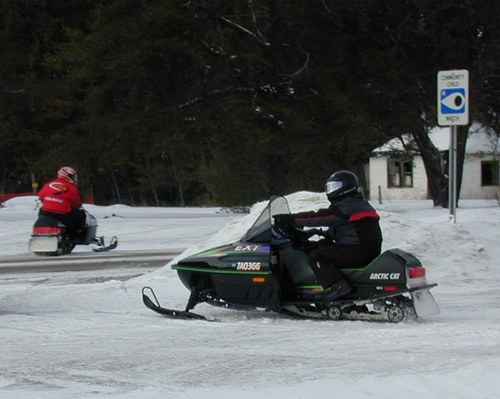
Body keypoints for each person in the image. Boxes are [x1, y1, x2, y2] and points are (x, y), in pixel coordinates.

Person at [274, 170, 383, 301]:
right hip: (362, 248)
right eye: (330, 187)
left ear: (346, 188)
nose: (331, 191)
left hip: (358, 250)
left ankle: (337, 286)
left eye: (335, 187)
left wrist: (291, 219)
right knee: (315, 247)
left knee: (317, 256)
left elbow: (319, 217)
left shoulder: (347, 206)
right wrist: (316, 236)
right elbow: (344, 229)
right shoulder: (355, 204)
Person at [38, 166, 86, 240]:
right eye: (72, 176)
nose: (74, 179)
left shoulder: (47, 185)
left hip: (46, 213)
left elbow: (41, 196)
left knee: (41, 210)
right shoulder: (72, 188)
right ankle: (74, 236)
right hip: (62, 215)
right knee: (81, 215)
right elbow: (76, 203)